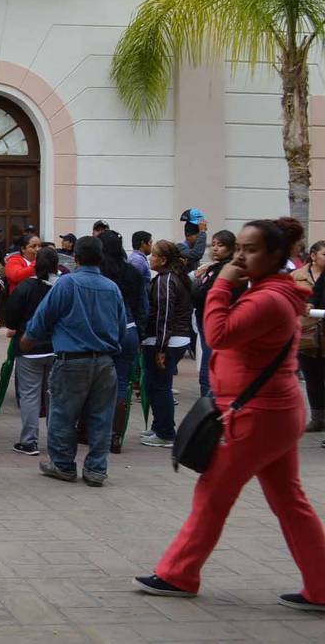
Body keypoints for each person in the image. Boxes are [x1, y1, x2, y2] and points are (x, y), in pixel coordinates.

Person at [135, 218, 325, 611]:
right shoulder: (272, 292)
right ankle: (321, 586)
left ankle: (178, 574)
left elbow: (218, 334)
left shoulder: (267, 298)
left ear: (274, 255)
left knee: (213, 493)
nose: (240, 256)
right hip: (273, 411)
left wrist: (222, 284)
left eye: (250, 250)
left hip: (258, 414)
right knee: (289, 500)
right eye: (239, 247)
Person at [22, 236, 126, 486]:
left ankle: (63, 464)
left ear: (76, 258)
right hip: (104, 361)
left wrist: (29, 338)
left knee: (63, 415)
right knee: (101, 418)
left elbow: (44, 316)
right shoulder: (111, 288)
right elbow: (121, 326)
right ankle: (96, 469)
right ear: (100, 258)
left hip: (72, 360)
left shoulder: (67, 283)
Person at [0, 246, 59, 455]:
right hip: (56, 348)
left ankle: (29, 441)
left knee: (29, 395)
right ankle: (56, 440)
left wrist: (17, 328)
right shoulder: (62, 287)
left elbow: (11, 317)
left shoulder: (26, 287)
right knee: (54, 395)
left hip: (29, 347)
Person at [140, 240, 194, 447]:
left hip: (167, 341)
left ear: (163, 260)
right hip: (169, 339)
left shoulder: (166, 280)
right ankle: (159, 426)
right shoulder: (169, 278)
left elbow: (164, 315)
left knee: (160, 387)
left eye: (154, 255)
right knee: (153, 385)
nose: (150, 258)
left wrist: (161, 348)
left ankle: (165, 433)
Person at [98, 231, 148, 453]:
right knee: (122, 383)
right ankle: (115, 435)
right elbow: (143, 307)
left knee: (95, 383)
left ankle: (91, 430)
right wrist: (140, 334)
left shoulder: (97, 274)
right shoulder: (132, 272)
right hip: (129, 330)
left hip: (101, 333)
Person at [191, 230, 237, 398]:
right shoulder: (214, 268)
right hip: (205, 319)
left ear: (231, 248)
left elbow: (205, 294)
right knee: (208, 360)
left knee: (210, 363)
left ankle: (209, 399)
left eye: (221, 245)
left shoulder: (226, 269)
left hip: (215, 322)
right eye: (214, 244)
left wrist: (197, 284)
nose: (215, 248)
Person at [296, 240, 325, 433]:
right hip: (309, 333)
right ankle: (318, 418)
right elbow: (316, 293)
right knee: (312, 377)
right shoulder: (297, 275)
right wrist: (311, 304)